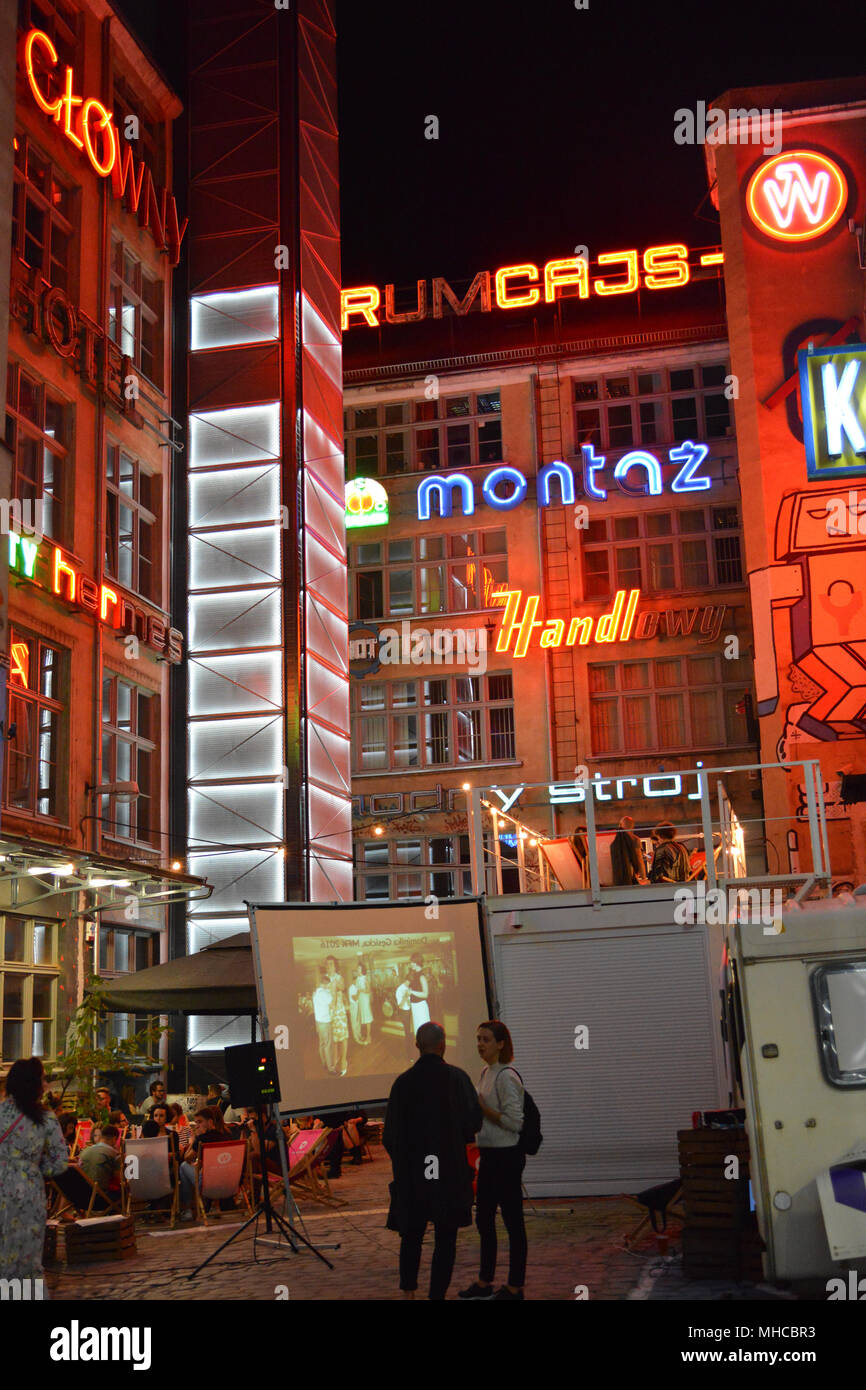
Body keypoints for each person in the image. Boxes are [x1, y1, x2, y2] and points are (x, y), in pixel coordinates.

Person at [384, 1020, 482, 1301]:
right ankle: (436, 1295)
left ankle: (408, 1293)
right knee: (446, 1237)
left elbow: (389, 1136)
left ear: (416, 1045)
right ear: (443, 1045)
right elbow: (472, 1123)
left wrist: (404, 1163)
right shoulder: (457, 1079)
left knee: (411, 1236)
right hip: (448, 1173)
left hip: (413, 1176)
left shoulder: (402, 1084)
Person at [459, 1020, 527, 1301]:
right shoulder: (486, 1072)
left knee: (513, 1221)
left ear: (501, 1043)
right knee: (484, 1219)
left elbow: (515, 1122)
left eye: (486, 1039)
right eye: (478, 1039)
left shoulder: (507, 1076)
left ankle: (515, 1287)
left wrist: (485, 1111)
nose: (480, 1044)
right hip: (488, 1155)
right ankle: (485, 1280)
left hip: (507, 1157)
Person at [0, 1057, 69, 1281]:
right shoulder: (46, 1119)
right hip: (27, 1193)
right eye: (43, 1079)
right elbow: (60, 1162)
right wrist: (35, 1168)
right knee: (27, 1260)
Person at [178, 1106, 231, 1219]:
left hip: (208, 1184)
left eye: (200, 1122)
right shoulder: (225, 1136)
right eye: (196, 1122)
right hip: (230, 1182)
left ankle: (188, 1210)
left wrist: (193, 1140)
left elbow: (187, 1158)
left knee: (183, 1166)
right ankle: (214, 1206)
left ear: (210, 1122)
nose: (197, 1125)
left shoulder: (202, 1139)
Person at [78, 1124, 122, 1195]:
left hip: (81, 1194)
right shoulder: (115, 1154)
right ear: (114, 1138)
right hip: (100, 1196)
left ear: (102, 1136)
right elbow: (117, 1179)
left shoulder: (84, 1151)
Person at [326, 956, 349, 1077]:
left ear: (335, 966)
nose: (328, 966)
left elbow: (342, 987)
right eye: (327, 964)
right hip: (329, 1013)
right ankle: (335, 1058)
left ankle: (344, 1061)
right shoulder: (325, 979)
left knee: (343, 1037)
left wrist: (334, 982)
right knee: (333, 1039)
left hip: (339, 1012)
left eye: (331, 964)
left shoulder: (339, 978)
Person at [611, 815, 649, 886]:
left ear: (620, 825)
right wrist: (644, 877)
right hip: (630, 877)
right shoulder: (635, 839)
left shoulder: (614, 840)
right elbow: (639, 859)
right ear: (632, 827)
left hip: (616, 877)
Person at [312, 967, 334, 1074]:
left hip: (318, 1021)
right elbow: (332, 1004)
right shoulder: (325, 994)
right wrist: (332, 990)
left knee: (321, 1043)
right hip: (325, 1022)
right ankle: (331, 1068)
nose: (328, 986)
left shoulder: (315, 992)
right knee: (328, 1045)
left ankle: (324, 1063)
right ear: (325, 984)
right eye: (328, 984)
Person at [407, 955, 431, 1033]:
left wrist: (412, 992)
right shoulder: (415, 975)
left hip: (420, 1006)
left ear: (417, 963)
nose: (410, 964)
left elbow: (425, 994)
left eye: (412, 962)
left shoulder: (421, 976)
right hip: (415, 1006)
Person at [357, 960, 373, 1045]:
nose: (357, 970)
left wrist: (361, 990)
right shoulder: (358, 978)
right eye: (357, 968)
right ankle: (364, 1035)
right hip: (360, 1000)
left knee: (367, 1018)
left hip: (365, 999)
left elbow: (369, 990)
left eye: (359, 968)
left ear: (362, 969)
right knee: (362, 1018)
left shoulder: (365, 978)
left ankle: (368, 1037)